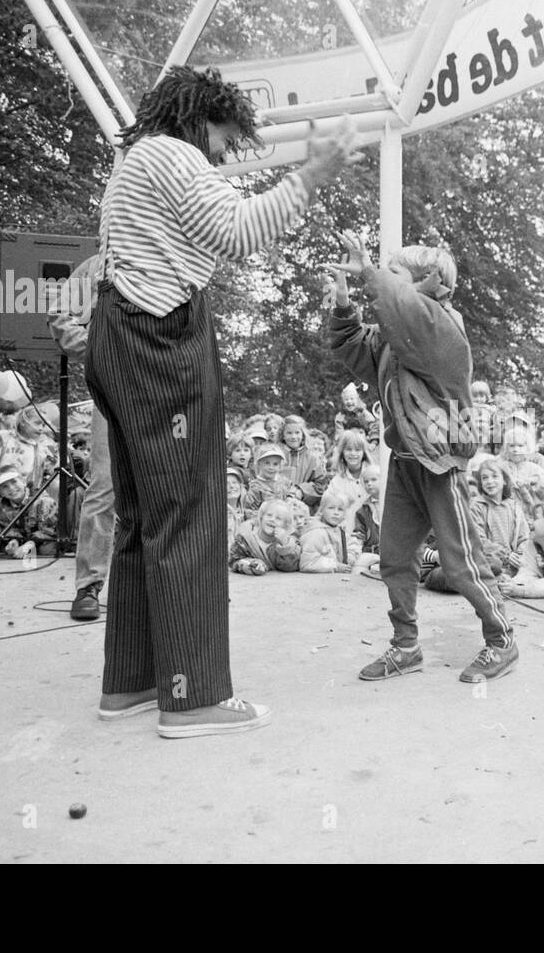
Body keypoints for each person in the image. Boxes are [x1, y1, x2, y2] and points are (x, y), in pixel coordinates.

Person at [86, 65, 359, 737]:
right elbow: (238, 230)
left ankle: (134, 680)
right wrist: (311, 175)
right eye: (224, 137)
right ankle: (193, 696)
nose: (223, 153)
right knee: (189, 511)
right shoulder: (175, 154)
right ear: (197, 116)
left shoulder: (132, 165)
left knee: (140, 514)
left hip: (116, 333)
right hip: (159, 340)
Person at [327, 231, 516, 683]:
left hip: (439, 463)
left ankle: (501, 640)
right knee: (394, 559)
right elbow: (354, 345)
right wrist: (342, 304)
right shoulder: (398, 336)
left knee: (461, 561)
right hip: (407, 462)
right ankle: (406, 647)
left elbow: (402, 309)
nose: (384, 283)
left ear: (429, 284)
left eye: (395, 275)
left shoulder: (441, 327)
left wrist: (371, 272)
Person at [45, 254, 114, 622]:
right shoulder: (95, 267)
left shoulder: (170, 258)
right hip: (111, 387)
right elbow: (60, 313)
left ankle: (154, 585)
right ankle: (89, 585)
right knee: (104, 487)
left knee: (160, 487)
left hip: (162, 391)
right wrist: (97, 352)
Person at [229, 500, 300, 575]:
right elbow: (233, 560)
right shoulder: (245, 537)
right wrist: (251, 564)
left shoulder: (291, 542)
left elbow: (290, 567)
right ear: (261, 517)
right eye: (269, 515)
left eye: (278, 518)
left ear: (285, 526)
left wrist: (285, 544)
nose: (272, 520)